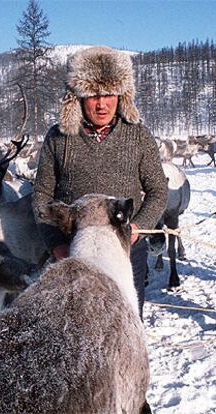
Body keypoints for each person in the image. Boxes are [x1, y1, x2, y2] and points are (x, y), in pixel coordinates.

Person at [32, 46, 168, 318]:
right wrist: (55, 243)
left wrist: (137, 229)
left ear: (121, 96)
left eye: (108, 94)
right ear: (77, 98)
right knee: (77, 326)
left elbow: (158, 190)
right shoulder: (59, 138)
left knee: (126, 323)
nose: (101, 103)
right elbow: (42, 195)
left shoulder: (138, 135)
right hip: (74, 250)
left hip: (126, 250)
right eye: (93, 95)